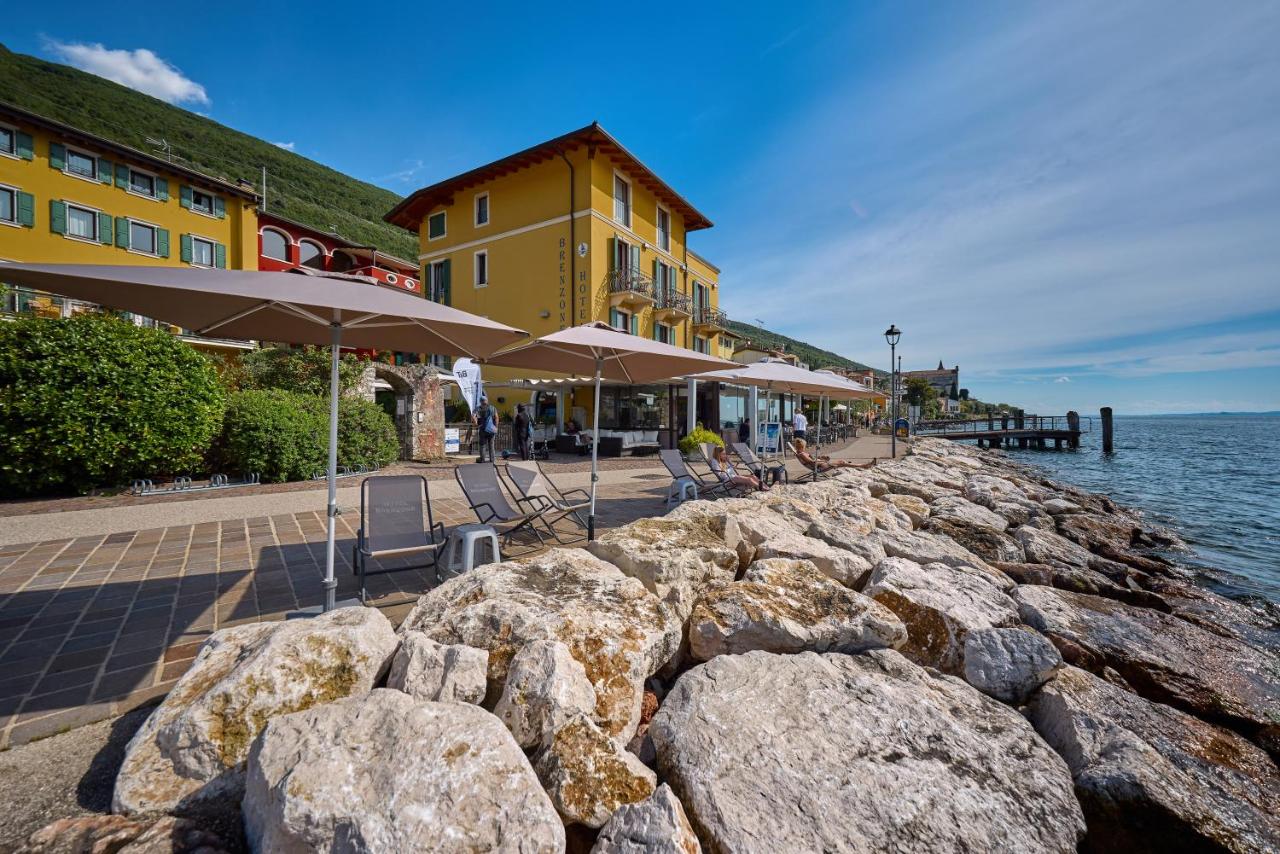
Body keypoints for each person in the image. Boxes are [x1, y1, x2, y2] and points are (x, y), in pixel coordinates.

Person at [793, 438, 874, 472]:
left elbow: (812, 460)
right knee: (842, 463)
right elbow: (812, 462)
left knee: (842, 462)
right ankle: (863, 466)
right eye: (805, 446)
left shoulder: (801, 453)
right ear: (802, 446)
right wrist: (823, 461)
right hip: (820, 467)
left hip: (821, 464)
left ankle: (863, 466)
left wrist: (820, 457)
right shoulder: (801, 454)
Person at [475, 395, 497, 463]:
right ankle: (492, 459)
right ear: (487, 401)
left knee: (482, 445)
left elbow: (473, 416)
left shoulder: (478, 408)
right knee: (491, 445)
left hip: (483, 429)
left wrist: (476, 424)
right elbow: (496, 417)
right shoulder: (492, 408)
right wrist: (496, 427)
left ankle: (482, 459)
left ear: (480, 401)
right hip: (491, 429)